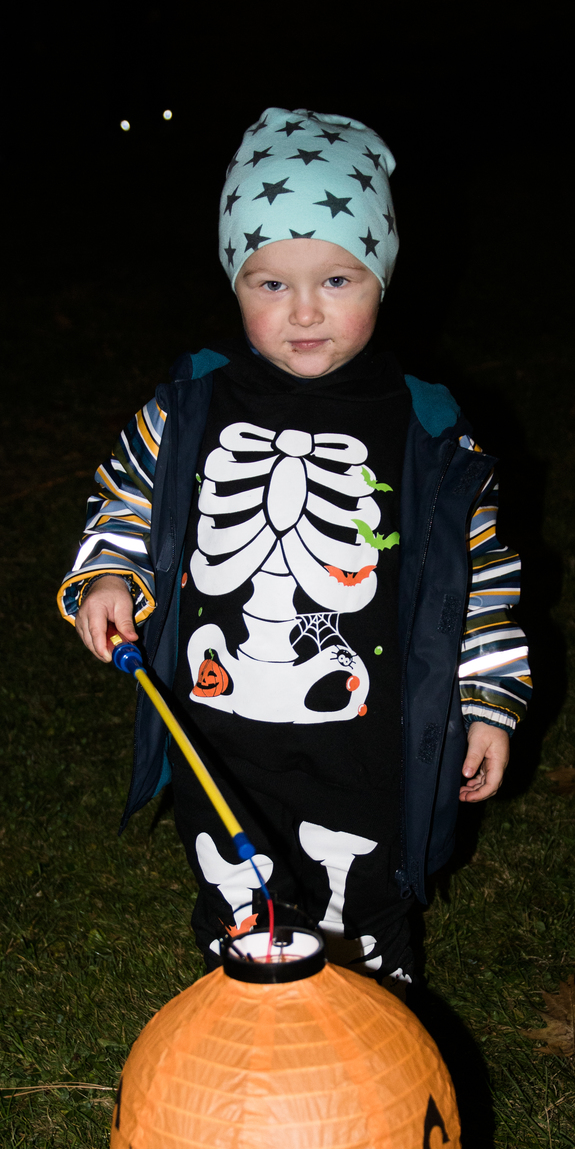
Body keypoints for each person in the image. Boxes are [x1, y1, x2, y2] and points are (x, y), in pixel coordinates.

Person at [58, 107, 531, 985]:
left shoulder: (429, 432)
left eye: (337, 280)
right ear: (233, 279)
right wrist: (109, 572)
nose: (304, 311)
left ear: (382, 277)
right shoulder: (186, 404)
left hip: (367, 739)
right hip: (219, 728)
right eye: (270, 283)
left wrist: (488, 698)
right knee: (233, 885)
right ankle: (242, 1010)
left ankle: (375, 1014)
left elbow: (482, 580)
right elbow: (124, 494)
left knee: (364, 899)